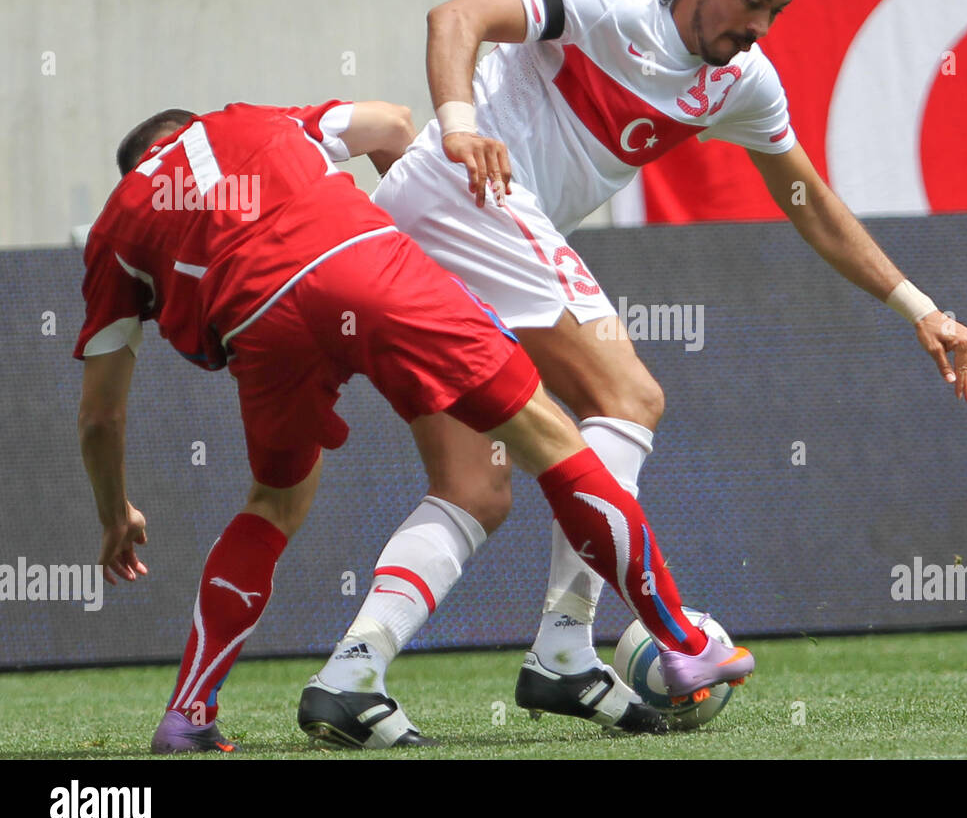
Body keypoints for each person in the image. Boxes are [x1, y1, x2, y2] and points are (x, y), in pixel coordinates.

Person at [310, 0, 967, 742]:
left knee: (475, 487)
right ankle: (562, 645)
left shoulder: (740, 79)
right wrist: (459, 127)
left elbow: (810, 203)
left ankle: (350, 676)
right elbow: (458, 17)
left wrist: (919, 307)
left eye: (777, 11)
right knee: (627, 395)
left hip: (451, 249)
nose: (759, 25)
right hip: (463, 198)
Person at [76, 98, 751, 752]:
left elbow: (101, 414)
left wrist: (115, 514)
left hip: (260, 326)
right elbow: (394, 123)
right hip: (368, 267)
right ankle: (682, 645)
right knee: (554, 439)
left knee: (276, 503)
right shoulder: (251, 121)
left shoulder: (118, 225)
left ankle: (191, 713)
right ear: (190, 127)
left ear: (137, 167)